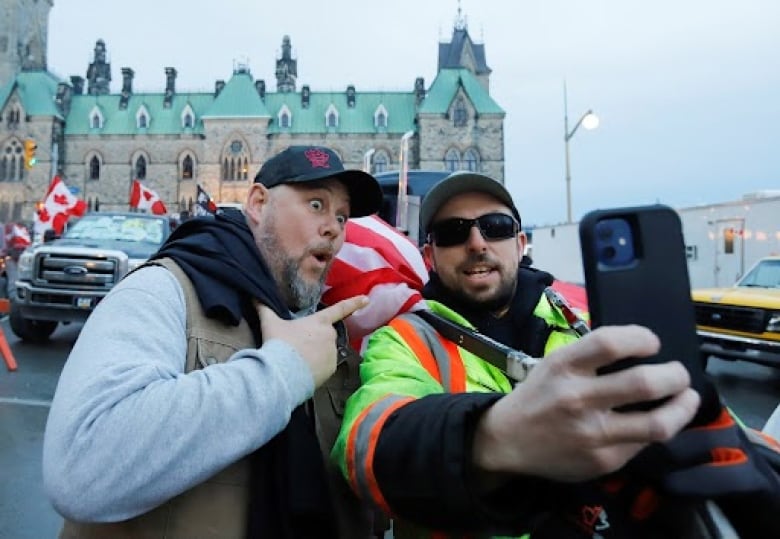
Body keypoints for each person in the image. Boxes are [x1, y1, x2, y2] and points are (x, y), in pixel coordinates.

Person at [332, 171, 779, 538]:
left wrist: (760, 465)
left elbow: (721, 431)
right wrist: (494, 436)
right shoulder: (406, 339)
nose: (477, 243)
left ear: (521, 243)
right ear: (429, 255)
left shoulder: (590, 319)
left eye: (496, 227)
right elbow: (366, 444)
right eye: (453, 232)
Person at [43, 145, 384, 539]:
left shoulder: (327, 329)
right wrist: (282, 372)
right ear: (257, 203)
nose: (334, 228)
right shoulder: (163, 289)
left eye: (341, 215)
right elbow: (82, 467)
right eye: (315, 205)